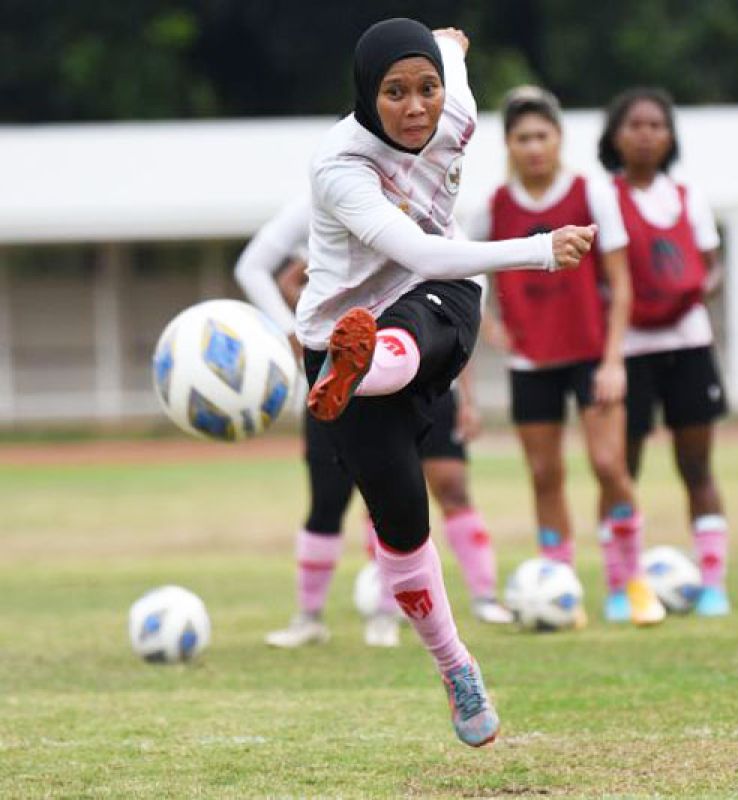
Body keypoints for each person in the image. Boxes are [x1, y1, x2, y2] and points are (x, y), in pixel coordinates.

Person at [296, 19, 596, 747]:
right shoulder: (339, 164)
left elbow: (453, 58)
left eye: (425, 87)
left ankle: (372, 361)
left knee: (423, 313)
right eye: (394, 92)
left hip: (435, 307)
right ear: (367, 96)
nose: (416, 106)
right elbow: (414, 249)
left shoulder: (454, 103)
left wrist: (451, 48)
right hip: (336, 338)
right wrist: (539, 250)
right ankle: (455, 664)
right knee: (402, 527)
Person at [232, 197, 513, 653]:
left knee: (396, 497)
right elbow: (254, 267)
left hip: (411, 371)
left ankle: (401, 611)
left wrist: (467, 394)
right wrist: (290, 328)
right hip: (333, 375)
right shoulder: (324, 201)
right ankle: (308, 618)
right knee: (327, 498)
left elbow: (456, 305)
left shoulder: (425, 203)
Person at [469, 86, 665, 626]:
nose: (533, 147)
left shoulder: (592, 194)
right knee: (544, 474)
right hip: (532, 361)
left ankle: (630, 583)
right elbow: (461, 270)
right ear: (509, 145)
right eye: (522, 137)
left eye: (542, 136)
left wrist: (613, 360)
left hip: (590, 355)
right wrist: (486, 323)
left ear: (559, 139)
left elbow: (621, 285)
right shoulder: (494, 208)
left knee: (609, 465)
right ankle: (562, 589)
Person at [597, 87, 732, 617]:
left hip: (689, 343)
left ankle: (715, 582)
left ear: (670, 136)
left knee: (696, 465)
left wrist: (694, 285)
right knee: (620, 467)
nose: (646, 134)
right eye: (635, 125)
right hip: (627, 349)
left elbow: (712, 264)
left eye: (657, 125)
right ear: (615, 136)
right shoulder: (603, 197)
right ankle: (619, 585)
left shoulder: (687, 196)